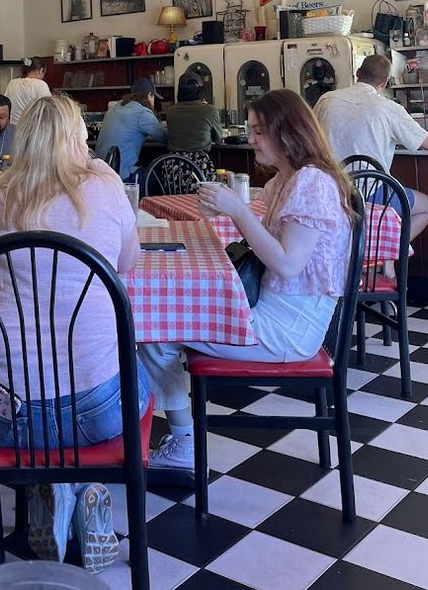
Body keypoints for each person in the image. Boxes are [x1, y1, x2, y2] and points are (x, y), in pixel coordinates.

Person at [0, 94, 149, 571]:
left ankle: (51, 488)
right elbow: (126, 264)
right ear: (74, 139)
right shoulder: (105, 186)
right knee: (140, 367)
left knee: (27, 388)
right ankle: (83, 484)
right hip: (98, 413)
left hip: (5, 417)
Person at [139, 89, 354, 469]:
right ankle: (177, 438)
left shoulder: (312, 183)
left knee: (156, 327)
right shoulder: (285, 181)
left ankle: (181, 445)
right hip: (273, 310)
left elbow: (287, 264)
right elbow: (263, 239)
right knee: (159, 323)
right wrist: (225, 210)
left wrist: (236, 210)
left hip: (289, 327)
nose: (250, 138)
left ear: (286, 132)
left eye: (259, 131)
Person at [314, 54, 428, 241]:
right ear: (385, 83)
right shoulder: (388, 108)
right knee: (427, 207)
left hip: (327, 193)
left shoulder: (326, 100)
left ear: (357, 73)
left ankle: (368, 257)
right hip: (368, 194)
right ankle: (388, 257)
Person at [94, 77, 168, 180]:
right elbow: (165, 138)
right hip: (121, 176)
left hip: (99, 173)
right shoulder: (142, 113)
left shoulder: (113, 108)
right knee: (162, 176)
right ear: (149, 95)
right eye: (154, 97)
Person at [166, 73, 224, 179]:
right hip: (199, 169)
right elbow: (219, 138)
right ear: (201, 91)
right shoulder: (210, 110)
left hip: (172, 170)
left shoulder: (170, 111)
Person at [6, 56, 51, 125]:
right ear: (41, 70)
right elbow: (48, 109)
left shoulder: (12, 83)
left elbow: (6, 105)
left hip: (12, 128)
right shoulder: (40, 84)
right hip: (31, 128)